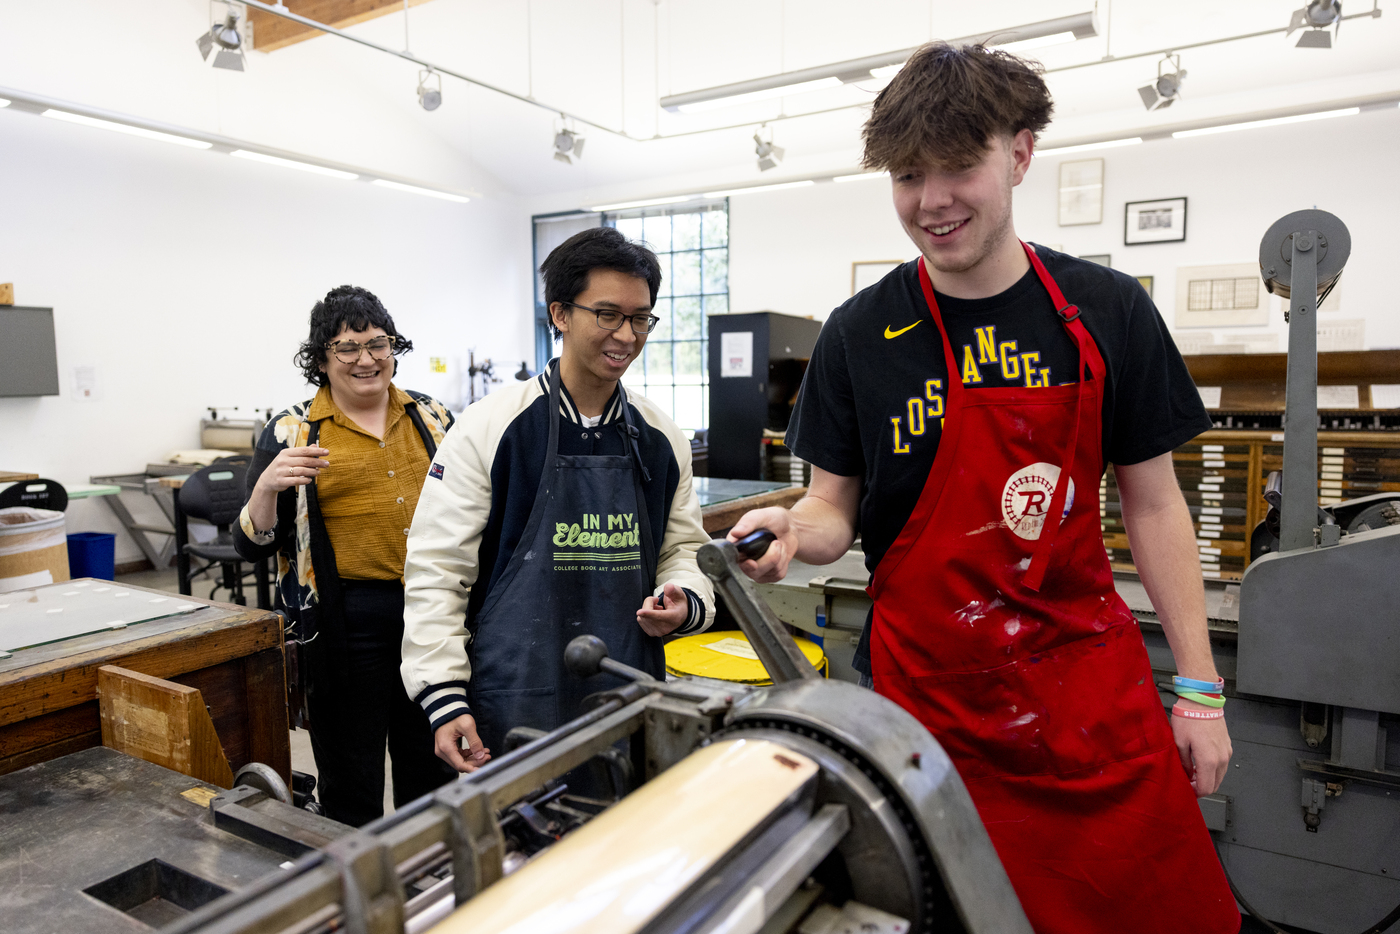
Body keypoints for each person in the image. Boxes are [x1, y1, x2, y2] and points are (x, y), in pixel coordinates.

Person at [728, 43, 1238, 933]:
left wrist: (1199, 689)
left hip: (1084, 702)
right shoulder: (860, 333)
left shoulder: (1107, 310)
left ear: (1020, 154)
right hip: (925, 708)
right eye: (907, 175)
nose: (932, 200)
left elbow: (1155, 504)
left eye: (958, 166)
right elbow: (831, 507)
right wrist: (794, 531)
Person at [401, 226, 714, 773]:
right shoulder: (490, 427)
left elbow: (683, 548)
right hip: (515, 693)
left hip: (628, 686)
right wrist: (441, 693)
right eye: (608, 314)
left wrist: (685, 596)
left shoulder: (661, 436)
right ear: (560, 314)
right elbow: (438, 569)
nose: (627, 335)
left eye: (641, 318)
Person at [234, 285, 458, 827]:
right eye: (347, 347)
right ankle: (354, 874)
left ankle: (431, 867)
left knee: (433, 766)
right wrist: (265, 488)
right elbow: (251, 545)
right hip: (344, 625)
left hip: (434, 613)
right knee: (351, 779)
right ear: (321, 358)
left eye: (377, 344)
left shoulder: (432, 418)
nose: (366, 359)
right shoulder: (292, 431)